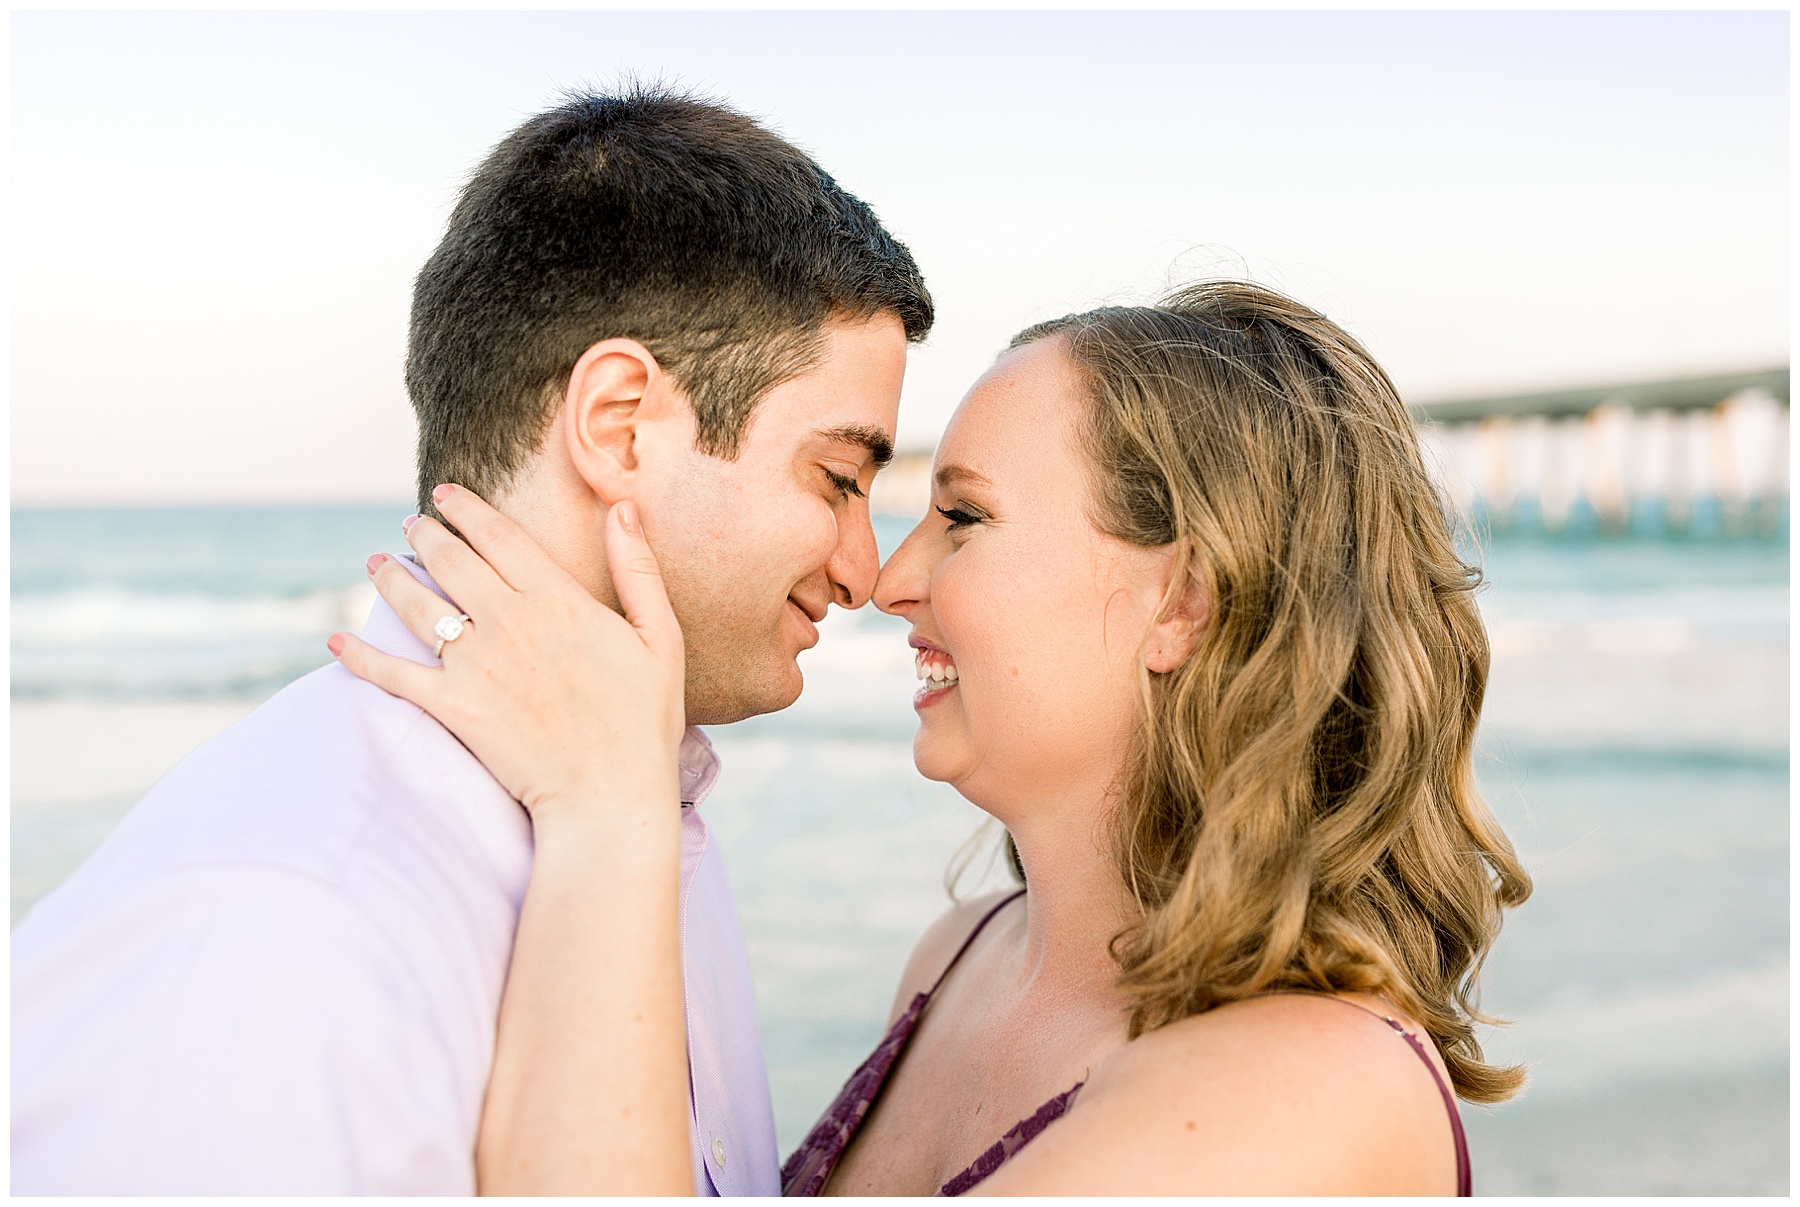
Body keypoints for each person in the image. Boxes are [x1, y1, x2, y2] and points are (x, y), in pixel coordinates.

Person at [336, 280, 1533, 1194]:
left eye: (962, 517)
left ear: (1185, 601)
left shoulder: (1314, 1087)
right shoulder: (960, 957)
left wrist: (608, 813)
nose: (889, 577)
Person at [9, 87, 932, 1195]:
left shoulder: (639, 807)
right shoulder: (279, 939)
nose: (862, 568)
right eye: (836, 479)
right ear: (618, 424)